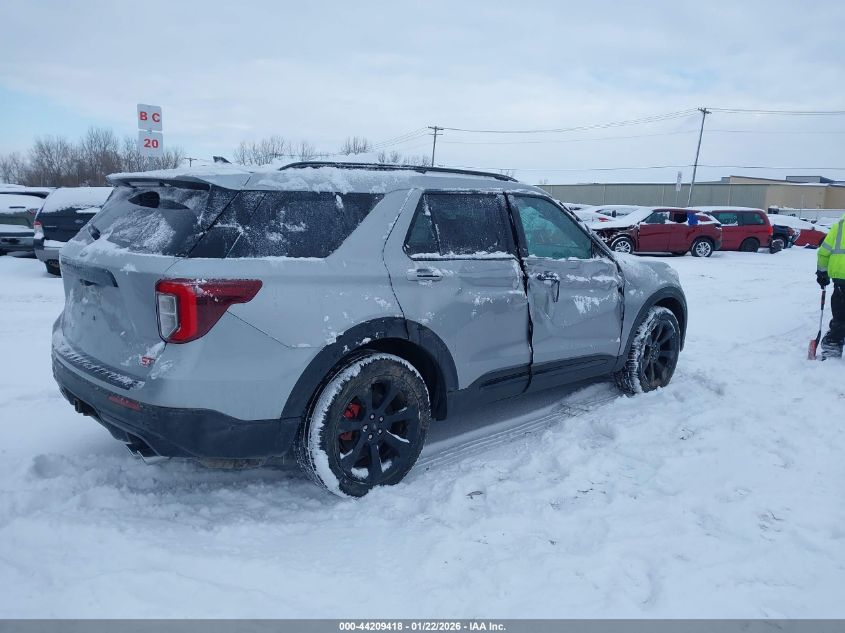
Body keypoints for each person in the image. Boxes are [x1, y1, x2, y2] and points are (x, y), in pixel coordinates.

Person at [817, 216, 845, 359]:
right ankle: (833, 342)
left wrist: (822, 272)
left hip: (841, 278)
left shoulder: (839, 226)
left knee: (841, 313)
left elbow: (824, 252)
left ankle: (833, 343)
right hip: (841, 277)